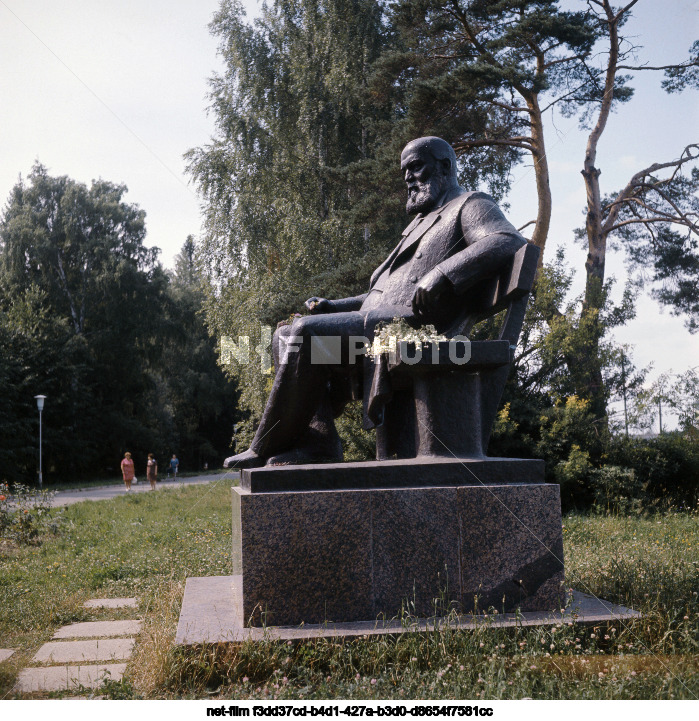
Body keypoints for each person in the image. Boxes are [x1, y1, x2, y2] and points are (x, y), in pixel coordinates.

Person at [224, 136, 527, 470]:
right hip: (381, 323)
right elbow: (377, 296)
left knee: (305, 335)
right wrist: (334, 306)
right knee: (286, 335)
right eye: (405, 172)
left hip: (417, 326)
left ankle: (265, 444)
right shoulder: (420, 223)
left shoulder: (470, 204)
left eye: (416, 167)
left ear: (445, 166)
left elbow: (506, 239)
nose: (409, 178)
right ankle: (317, 442)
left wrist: (443, 272)